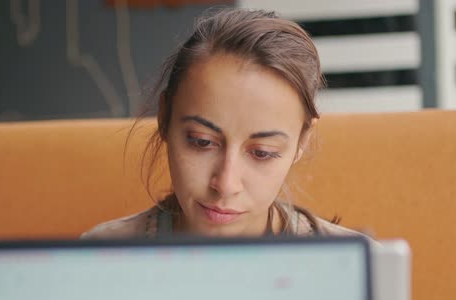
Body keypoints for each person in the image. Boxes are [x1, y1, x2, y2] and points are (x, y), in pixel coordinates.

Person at [81, 8, 367, 240]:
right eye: (201, 141)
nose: (226, 185)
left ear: (301, 141)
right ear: (164, 118)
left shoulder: (362, 270)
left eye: (262, 152)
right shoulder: (100, 255)